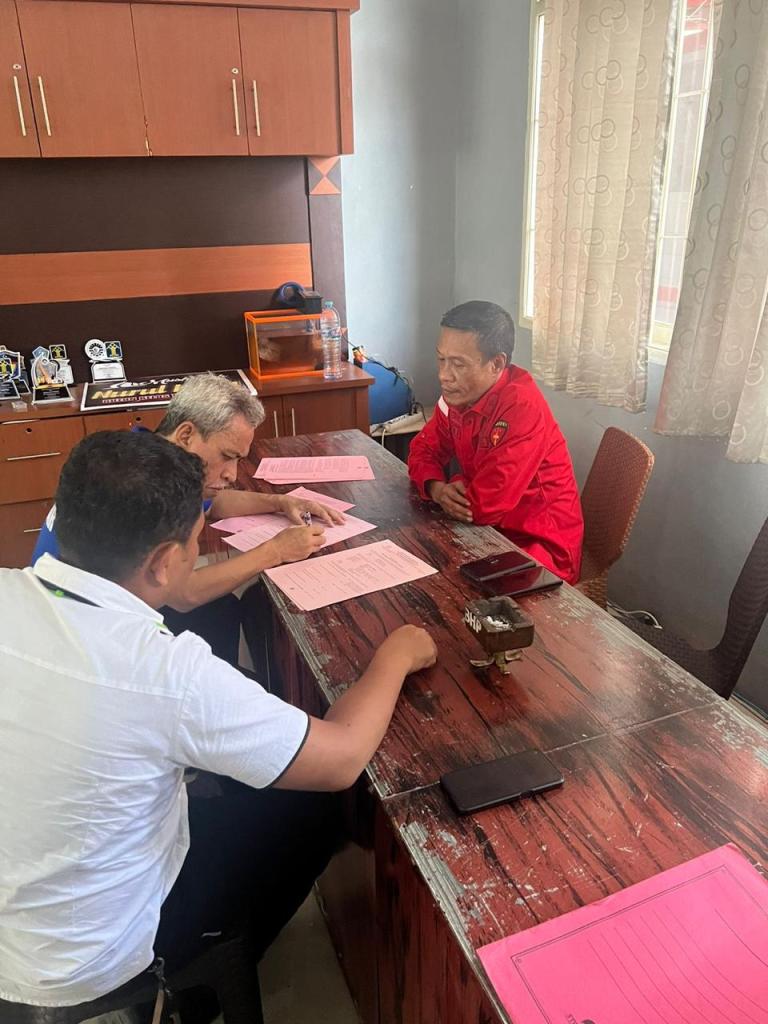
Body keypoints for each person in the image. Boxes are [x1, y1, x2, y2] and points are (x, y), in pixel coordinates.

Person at [0, 430, 436, 1009]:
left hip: (15, 915)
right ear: (164, 563)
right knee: (317, 808)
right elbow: (342, 757)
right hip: (90, 956)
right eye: (195, 541)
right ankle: (198, 985)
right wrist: (396, 655)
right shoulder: (164, 671)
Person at [31, 372, 345, 664]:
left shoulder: (141, 456)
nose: (232, 474)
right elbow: (184, 594)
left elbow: (214, 503)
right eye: (227, 456)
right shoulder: (148, 488)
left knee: (225, 608)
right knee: (231, 610)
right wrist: (276, 550)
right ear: (185, 434)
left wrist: (280, 502)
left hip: (60, 603)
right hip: (81, 636)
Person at [408, 301, 583, 583]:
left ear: (497, 364)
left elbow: (482, 506)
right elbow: (422, 450)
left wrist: (453, 485)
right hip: (486, 534)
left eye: (458, 364)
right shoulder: (458, 397)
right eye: (441, 359)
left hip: (538, 551)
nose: (444, 375)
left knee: (439, 586)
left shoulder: (521, 408)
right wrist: (437, 488)